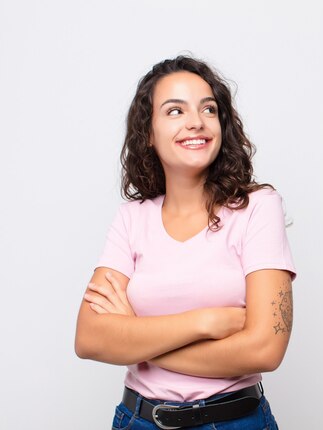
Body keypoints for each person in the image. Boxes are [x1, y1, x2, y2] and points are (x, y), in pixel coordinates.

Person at [74, 55, 296, 430]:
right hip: (139, 421)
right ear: (149, 132)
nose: (196, 121)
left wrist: (137, 335)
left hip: (234, 422)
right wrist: (205, 321)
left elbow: (265, 349)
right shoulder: (133, 217)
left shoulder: (258, 208)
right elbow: (90, 338)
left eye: (208, 109)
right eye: (174, 111)